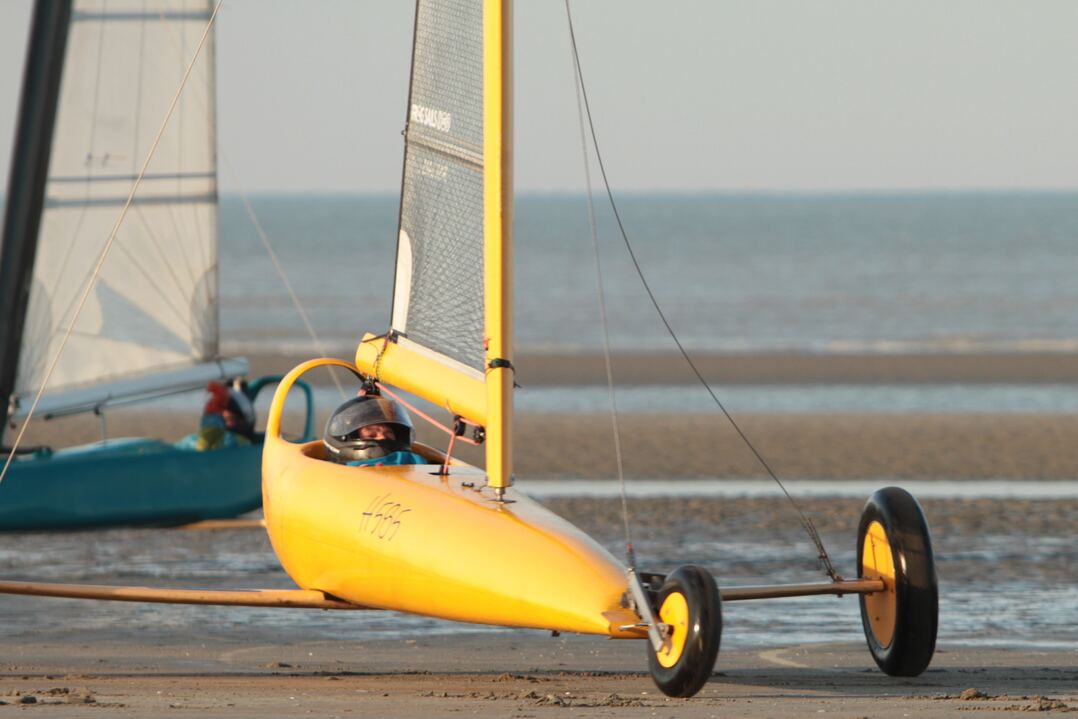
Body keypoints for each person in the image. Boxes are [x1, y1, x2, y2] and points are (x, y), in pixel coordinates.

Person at [323, 393, 427, 466]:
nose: (382, 437)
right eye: (372, 435)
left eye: (388, 433)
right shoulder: (340, 472)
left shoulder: (413, 459)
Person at [175, 380, 257, 451]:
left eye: (231, 420)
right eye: (226, 420)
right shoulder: (195, 441)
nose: (228, 424)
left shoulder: (238, 442)